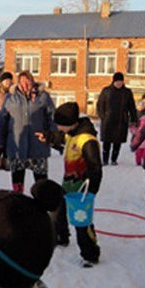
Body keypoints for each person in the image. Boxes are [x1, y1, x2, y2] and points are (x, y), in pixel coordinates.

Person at [37, 102, 103, 266]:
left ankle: (90, 254)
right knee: (58, 211)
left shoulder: (87, 140)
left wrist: (90, 192)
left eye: (60, 124)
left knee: (82, 221)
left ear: (69, 123)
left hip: (82, 189)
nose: (58, 127)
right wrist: (48, 137)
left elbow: (95, 167)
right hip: (68, 184)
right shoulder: (72, 134)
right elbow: (60, 137)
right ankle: (61, 237)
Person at [0, 71, 55, 193]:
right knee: (17, 183)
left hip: (38, 147)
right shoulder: (10, 99)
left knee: (41, 183)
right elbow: (2, 123)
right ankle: (19, 204)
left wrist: (52, 136)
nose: (25, 85)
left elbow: (52, 118)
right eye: (22, 82)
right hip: (16, 147)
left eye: (28, 82)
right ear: (18, 83)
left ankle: (41, 206)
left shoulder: (43, 97)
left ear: (33, 82)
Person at [96, 72, 138, 165]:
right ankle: (105, 159)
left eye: (120, 81)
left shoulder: (127, 92)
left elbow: (132, 107)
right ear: (113, 81)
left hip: (121, 121)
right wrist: (103, 116)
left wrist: (134, 119)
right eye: (117, 81)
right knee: (106, 142)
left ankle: (114, 159)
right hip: (108, 121)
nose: (119, 83)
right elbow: (100, 104)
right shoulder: (106, 91)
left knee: (117, 142)